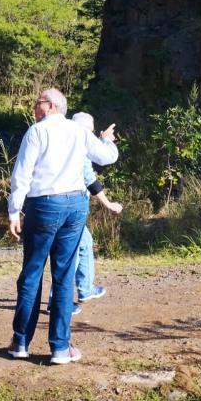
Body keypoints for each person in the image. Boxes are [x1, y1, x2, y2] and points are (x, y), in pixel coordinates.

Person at [7, 88, 118, 365]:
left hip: (44, 205)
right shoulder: (78, 131)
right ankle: (59, 347)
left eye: (38, 102)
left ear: (52, 106)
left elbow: (22, 175)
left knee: (32, 273)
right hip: (75, 205)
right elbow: (106, 157)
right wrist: (107, 141)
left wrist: (13, 212)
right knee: (64, 275)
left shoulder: (37, 132)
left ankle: (20, 342)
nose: (34, 106)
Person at [70, 112, 123, 306]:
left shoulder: (65, 138)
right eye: (91, 132)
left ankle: (85, 289)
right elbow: (91, 175)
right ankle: (58, 302)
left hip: (60, 204)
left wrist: (101, 140)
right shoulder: (78, 141)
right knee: (70, 253)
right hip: (71, 205)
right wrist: (107, 141)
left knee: (84, 242)